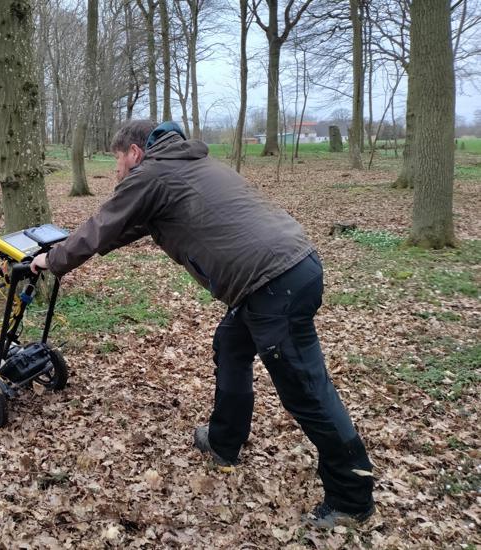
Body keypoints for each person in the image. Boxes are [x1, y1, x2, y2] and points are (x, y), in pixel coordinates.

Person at [31, 120, 375, 528]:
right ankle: (223, 441)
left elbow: (103, 224)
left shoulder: (152, 174)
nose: (116, 170)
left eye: (117, 159)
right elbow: (122, 228)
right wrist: (67, 247)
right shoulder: (184, 165)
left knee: (307, 390)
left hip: (273, 283)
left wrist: (52, 260)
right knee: (231, 344)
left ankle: (351, 499)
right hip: (283, 271)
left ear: (135, 153)